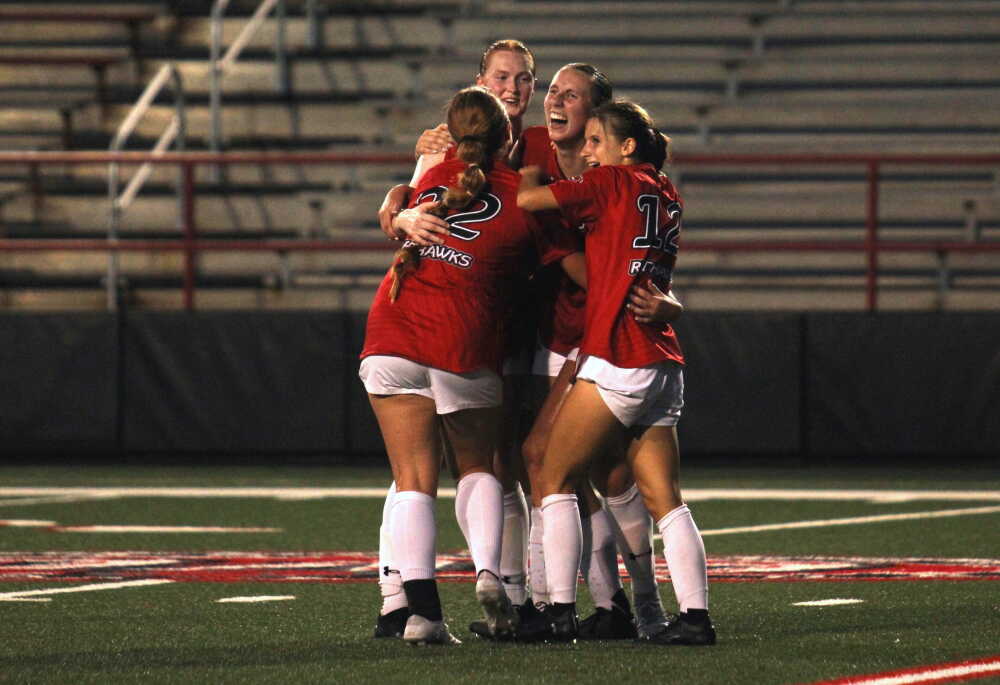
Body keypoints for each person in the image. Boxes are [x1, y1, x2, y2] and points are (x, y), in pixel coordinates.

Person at [360, 86, 574, 645]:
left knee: (411, 481)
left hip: (393, 323)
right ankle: (488, 572)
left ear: (451, 135)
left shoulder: (433, 171)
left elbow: (397, 206)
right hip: (461, 336)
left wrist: (400, 212)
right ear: (509, 140)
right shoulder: (523, 198)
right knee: (478, 467)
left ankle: (422, 615)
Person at [516, 99, 716, 646]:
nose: (587, 151)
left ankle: (558, 611)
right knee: (666, 500)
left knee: (552, 476)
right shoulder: (666, 191)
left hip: (617, 355)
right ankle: (694, 618)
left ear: (626, 148)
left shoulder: (610, 183)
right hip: (662, 361)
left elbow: (530, 199)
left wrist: (533, 157)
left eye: (596, 141)